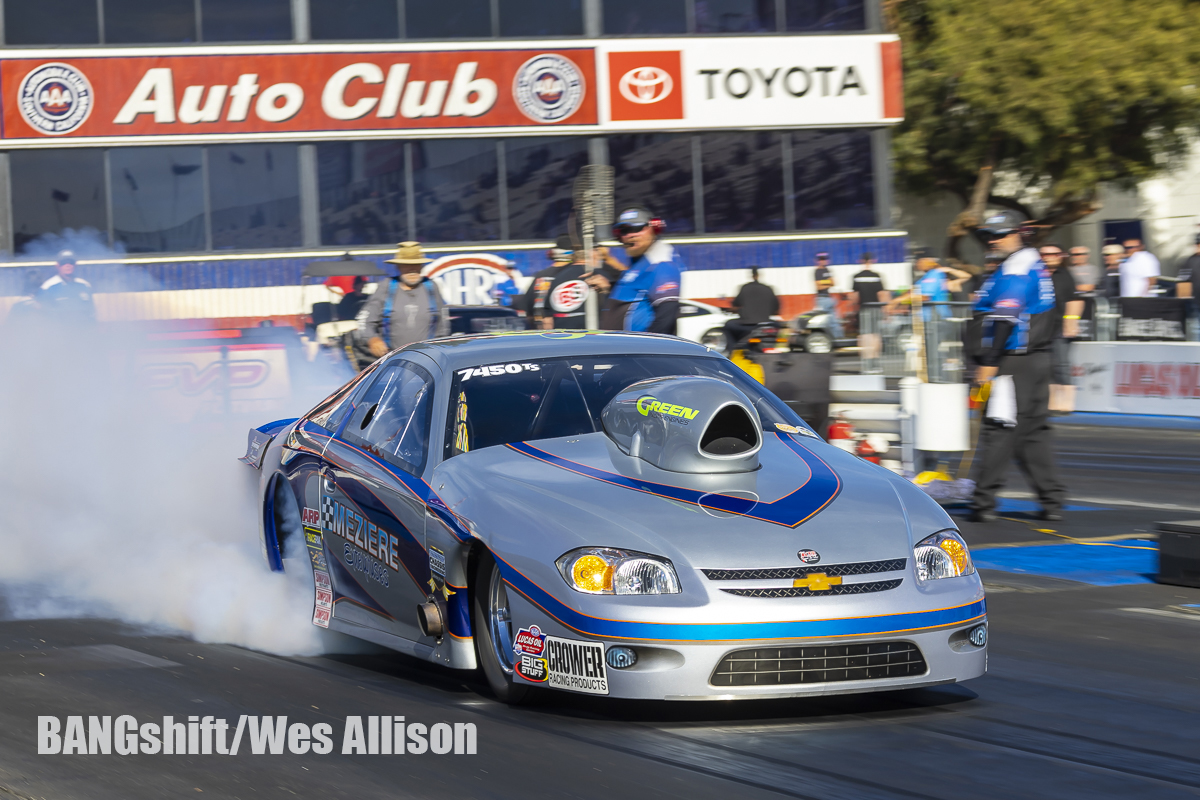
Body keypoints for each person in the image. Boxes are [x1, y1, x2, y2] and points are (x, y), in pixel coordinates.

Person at [969, 210, 1064, 523]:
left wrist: (988, 362)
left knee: (999, 430)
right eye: (989, 235)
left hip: (1013, 361)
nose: (994, 240)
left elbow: (1006, 318)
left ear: (1020, 233)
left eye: (1001, 234)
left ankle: (982, 503)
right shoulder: (1030, 261)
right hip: (1035, 361)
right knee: (1033, 434)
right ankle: (1052, 501)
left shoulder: (1017, 266)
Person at [591, 204, 684, 334]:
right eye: (624, 231)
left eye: (638, 228)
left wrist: (646, 350)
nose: (631, 235)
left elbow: (666, 317)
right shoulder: (640, 261)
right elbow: (637, 293)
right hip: (622, 348)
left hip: (639, 350)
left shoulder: (661, 262)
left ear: (654, 229)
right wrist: (610, 287)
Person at [357, 241, 448, 362]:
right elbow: (364, 320)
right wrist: (372, 340)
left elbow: (443, 327)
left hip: (428, 361)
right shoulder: (386, 287)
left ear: (421, 266)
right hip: (393, 361)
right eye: (406, 265)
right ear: (398, 267)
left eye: (416, 265)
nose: (412, 269)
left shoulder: (431, 287)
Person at [1038, 243, 1083, 412]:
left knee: (1061, 364)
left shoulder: (1064, 275)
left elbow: (1075, 300)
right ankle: (1052, 403)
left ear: (1060, 256)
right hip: (1039, 327)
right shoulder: (1035, 275)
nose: (1049, 257)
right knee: (1047, 365)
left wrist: (1071, 321)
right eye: (1045, 254)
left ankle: (1067, 403)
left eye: (1054, 254)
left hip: (1059, 326)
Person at [523, 236, 575, 329]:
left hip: (542, 331)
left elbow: (529, 310)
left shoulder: (541, 276)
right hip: (570, 329)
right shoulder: (575, 275)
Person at [723, 267, 779, 351]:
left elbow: (736, 304)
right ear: (759, 275)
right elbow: (776, 309)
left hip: (748, 325)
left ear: (751, 275)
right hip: (767, 324)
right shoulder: (768, 289)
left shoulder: (745, 288)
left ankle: (732, 350)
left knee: (727, 325)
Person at [542, 241, 593, 330]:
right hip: (595, 338)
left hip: (562, 338)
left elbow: (547, 318)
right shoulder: (600, 276)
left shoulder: (556, 277)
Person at [38, 250, 95, 324]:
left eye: (71, 262)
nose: (68, 265)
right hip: (58, 332)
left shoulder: (85, 285)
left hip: (82, 331)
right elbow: (42, 315)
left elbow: (91, 312)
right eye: (63, 262)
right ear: (58, 266)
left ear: (75, 265)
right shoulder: (48, 287)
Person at [812, 252, 843, 340]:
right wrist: (827, 282)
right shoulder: (817, 271)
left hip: (828, 297)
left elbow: (833, 282)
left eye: (824, 259)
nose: (823, 261)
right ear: (818, 261)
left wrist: (823, 282)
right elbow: (818, 286)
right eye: (821, 260)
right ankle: (825, 338)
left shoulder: (827, 270)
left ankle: (837, 338)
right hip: (821, 298)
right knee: (823, 320)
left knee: (834, 320)